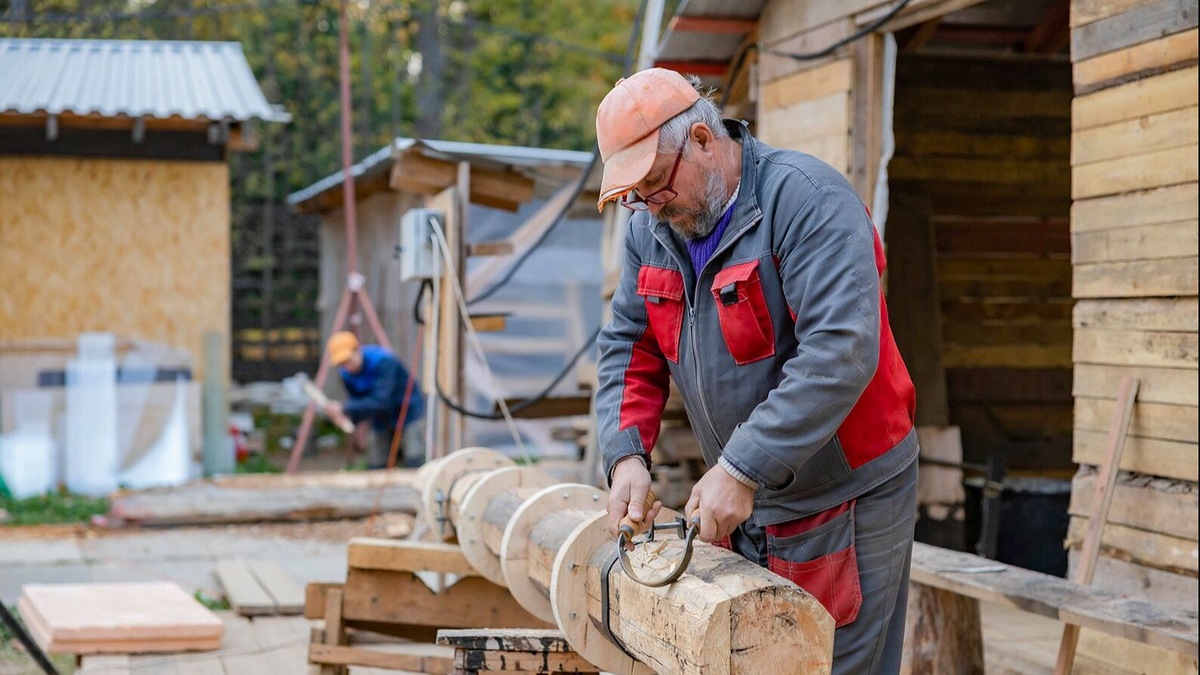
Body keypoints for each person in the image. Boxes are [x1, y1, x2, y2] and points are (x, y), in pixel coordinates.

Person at [593, 67, 919, 674]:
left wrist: (741, 467)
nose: (650, 206)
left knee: (826, 664)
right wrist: (625, 457)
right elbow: (628, 348)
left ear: (700, 139)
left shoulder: (806, 201)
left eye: (657, 183)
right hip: (755, 498)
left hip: (843, 497)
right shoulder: (650, 228)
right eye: (635, 195)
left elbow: (839, 350)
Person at [324, 331, 427, 469]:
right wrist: (344, 416)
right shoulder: (346, 375)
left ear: (357, 350)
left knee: (414, 457)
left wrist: (345, 408)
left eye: (348, 360)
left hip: (406, 409)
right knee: (376, 461)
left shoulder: (383, 362)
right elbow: (359, 403)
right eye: (342, 363)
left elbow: (381, 401)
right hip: (380, 416)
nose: (347, 366)